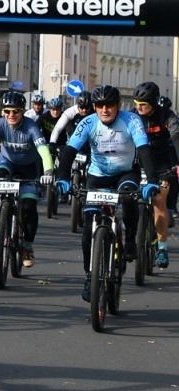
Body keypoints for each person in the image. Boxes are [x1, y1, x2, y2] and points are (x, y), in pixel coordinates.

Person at [53, 84, 164, 302]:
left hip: (126, 173)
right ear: (95, 107)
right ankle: (90, 275)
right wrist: (62, 177)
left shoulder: (132, 120)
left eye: (110, 105)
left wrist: (152, 181)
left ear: (118, 105)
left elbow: (144, 150)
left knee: (130, 196)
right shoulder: (88, 122)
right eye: (100, 105)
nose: (105, 110)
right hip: (97, 176)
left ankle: (130, 239)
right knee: (88, 228)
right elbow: (70, 150)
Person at [0, 90, 53, 268]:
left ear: (22, 111)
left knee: (28, 207)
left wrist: (48, 172)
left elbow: (44, 151)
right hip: (7, 162)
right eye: (7, 111)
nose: (11, 115)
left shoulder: (31, 127)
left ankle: (27, 247)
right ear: (2, 112)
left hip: (29, 168)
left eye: (16, 111)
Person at [131, 81, 179, 269]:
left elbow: (176, 137)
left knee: (159, 199)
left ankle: (162, 248)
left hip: (162, 163)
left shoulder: (167, 116)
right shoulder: (133, 116)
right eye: (136, 104)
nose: (139, 107)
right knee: (129, 195)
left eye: (143, 104)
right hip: (139, 161)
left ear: (153, 103)